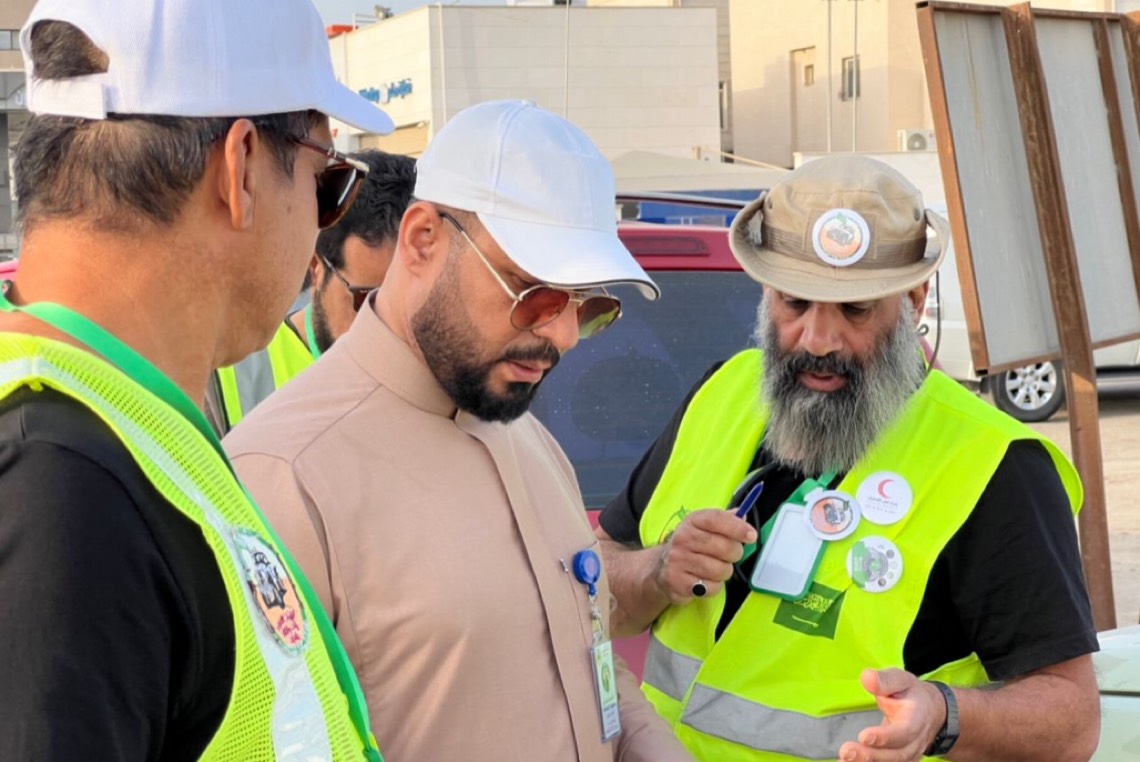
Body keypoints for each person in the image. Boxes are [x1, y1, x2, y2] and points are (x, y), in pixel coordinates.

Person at [224, 99, 693, 762]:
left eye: (588, 306)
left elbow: (591, 669)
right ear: (423, 240)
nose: (563, 335)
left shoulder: (532, 443)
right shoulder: (282, 477)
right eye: (535, 293)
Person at [595, 156, 1100, 762]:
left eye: (855, 309)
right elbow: (598, 587)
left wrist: (944, 715)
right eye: (795, 303)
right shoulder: (721, 392)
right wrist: (656, 572)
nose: (817, 339)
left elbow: (1072, 722)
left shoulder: (997, 466)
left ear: (914, 301)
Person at [0, 0, 395, 758]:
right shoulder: (62, 495)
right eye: (329, 183)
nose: (322, 226)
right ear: (239, 168)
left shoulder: (118, 432)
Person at [208, 150, 415, 434]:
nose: (390, 327)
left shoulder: (444, 381)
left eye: (413, 304)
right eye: (366, 299)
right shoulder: (230, 372)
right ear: (317, 267)